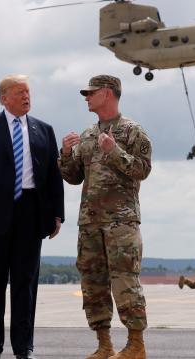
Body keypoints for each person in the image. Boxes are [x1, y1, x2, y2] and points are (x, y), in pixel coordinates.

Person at [0, 74, 65, 359]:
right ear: (3, 98)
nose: (26, 97)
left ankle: (24, 347)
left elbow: (53, 176)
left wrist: (57, 214)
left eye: (28, 92)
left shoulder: (44, 129)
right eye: (20, 92)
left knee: (25, 284)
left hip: (31, 213)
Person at [58, 74, 152, 359]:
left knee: (125, 282)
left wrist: (114, 152)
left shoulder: (133, 131)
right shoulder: (87, 135)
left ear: (108, 94)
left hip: (121, 222)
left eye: (91, 92)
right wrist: (64, 154)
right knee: (93, 283)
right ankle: (104, 345)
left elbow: (142, 170)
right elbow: (73, 177)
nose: (86, 97)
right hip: (90, 222)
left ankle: (136, 345)